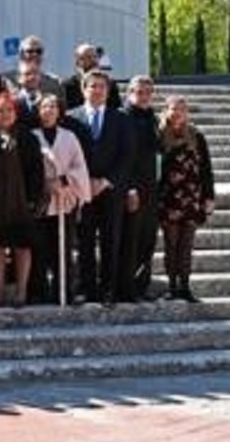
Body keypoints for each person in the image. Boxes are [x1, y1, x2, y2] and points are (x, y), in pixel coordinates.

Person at [70, 69, 131, 306]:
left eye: (101, 87)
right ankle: (88, 288)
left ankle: (108, 289)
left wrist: (105, 181)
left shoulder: (121, 119)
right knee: (84, 242)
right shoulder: (72, 118)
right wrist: (85, 182)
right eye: (92, 86)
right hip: (82, 190)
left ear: (108, 91)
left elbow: (127, 155)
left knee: (110, 240)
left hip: (110, 190)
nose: (97, 91)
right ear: (84, 89)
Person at [31, 94, 90, 305]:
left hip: (65, 197)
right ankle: (37, 291)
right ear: (38, 111)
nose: (49, 110)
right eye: (44, 107)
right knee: (39, 248)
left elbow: (79, 166)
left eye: (53, 106)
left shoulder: (69, 137)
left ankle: (64, 291)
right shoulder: (32, 136)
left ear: (59, 111)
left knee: (63, 248)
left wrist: (64, 180)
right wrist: (47, 183)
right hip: (42, 200)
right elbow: (28, 169)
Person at [0, 95, 44, 307]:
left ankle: (21, 291)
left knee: (22, 246)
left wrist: (32, 199)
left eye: (9, 110)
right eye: (0, 111)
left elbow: (37, 171)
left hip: (21, 200)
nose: (5, 114)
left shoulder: (28, 137)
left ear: (16, 112)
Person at [158, 96, 214, 303]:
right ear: (166, 111)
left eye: (181, 108)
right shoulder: (160, 134)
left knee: (186, 245)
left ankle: (185, 286)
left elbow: (206, 169)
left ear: (187, 111)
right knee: (171, 244)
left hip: (192, 197)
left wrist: (209, 196)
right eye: (173, 108)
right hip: (168, 198)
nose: (177, 112)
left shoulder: (197, 135)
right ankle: (171, 287)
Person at [119, 76, 161, 303]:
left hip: (151, 188)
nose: (144, 95)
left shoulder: (152, 117)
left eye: (148, 92)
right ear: (129, 93)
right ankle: (126, 289)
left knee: (148, 239)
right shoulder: (123, 117)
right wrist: (130, 188)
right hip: (131, 189)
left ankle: (142, 286)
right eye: (139, 91)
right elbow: (124, 158)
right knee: (130, 239)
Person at [61, 43, 122, 110]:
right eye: (88, 57)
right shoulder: (68, 85)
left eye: (95, 57)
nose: (93, 60)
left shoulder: (110, 83)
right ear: (78, 61)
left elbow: (116, 110)